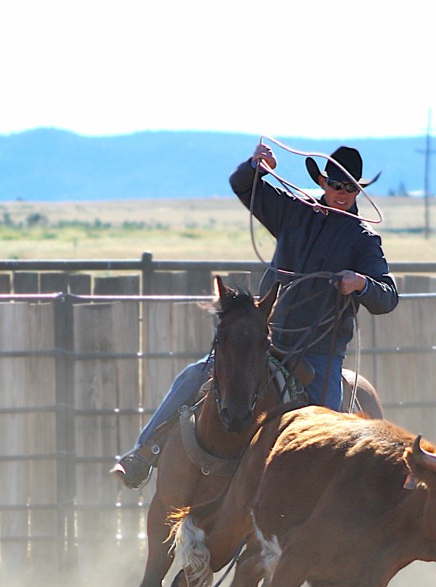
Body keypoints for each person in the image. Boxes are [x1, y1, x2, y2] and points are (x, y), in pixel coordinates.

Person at [111, 143, 398, 489]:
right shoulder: (294, 212)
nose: (342, 193)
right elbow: (242, 185)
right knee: (195, 376)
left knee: (324, 427)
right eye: (336, 185)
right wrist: (256, 165)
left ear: (359, 190)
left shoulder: (363, 240)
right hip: (269, 339)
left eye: (350, 188)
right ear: (323, 183)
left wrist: (361, 283)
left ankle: (318, 507)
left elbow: (388, 297)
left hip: (320, 349)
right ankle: (143, 453)